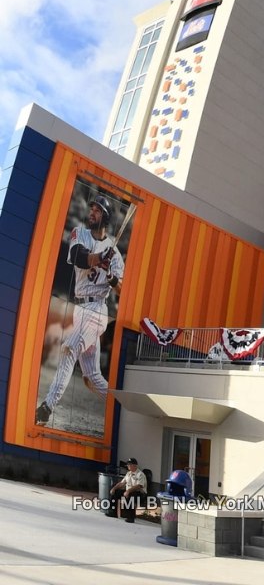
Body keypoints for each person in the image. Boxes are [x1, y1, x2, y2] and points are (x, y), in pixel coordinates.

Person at [34, 194, 124, 427]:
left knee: (68, 348)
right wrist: (98, 258)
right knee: (91, 378)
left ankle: (47, 406)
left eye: (96, 210)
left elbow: (122, 291)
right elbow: (77, 257)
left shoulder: (115, 253)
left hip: (97, 309)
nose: (91, 212)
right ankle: (122, 405)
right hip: (80, 308)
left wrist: (112, 277)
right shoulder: (79, 233)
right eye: (91, 208)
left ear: (104, 216)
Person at [109, 458, 147, 522]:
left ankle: (130, 517)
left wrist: (128, 491)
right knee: (116, 492)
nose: (128, 466)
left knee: (131, 495)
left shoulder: (140, 474)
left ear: (135, 465)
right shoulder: (128, 473)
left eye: (130, 464)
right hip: (129, 491)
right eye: (128, 465)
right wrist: (114, 489)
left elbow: (139, 486)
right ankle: (113, 513)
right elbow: (122, 483)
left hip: (140, 494)